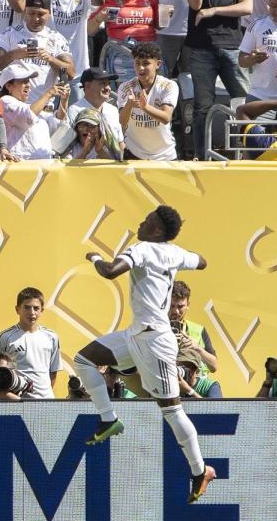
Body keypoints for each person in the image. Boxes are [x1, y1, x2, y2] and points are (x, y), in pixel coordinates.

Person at [74, 205, 215, 503]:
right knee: (84, 359)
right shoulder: (174, 252)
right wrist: (178, 257)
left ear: (157, 230)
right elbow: (203, 262)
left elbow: (110, 271)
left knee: (172, 410)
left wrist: (95, 257)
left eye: (148, 220)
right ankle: (108, 419)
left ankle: (200, 470)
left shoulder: (142, 249)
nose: (141, 222)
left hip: (155, 340)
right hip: (136, 334)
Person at [178, 0, 252, 159]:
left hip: (233, 45)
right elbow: (196, 4)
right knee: (202, 106)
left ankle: (245, 154)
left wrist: (214, 10)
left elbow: (247, 6)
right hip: (201, 47)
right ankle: (202, 156)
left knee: (243, 102)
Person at [0, 0, 75, 104]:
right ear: (25, 12)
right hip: (15, 106)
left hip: (44, 107)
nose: (36, 18)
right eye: (31, 13)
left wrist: (51, 59)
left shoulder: (56, 38)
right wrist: (13, 55)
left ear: (49, 14)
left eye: (41, 14)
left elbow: (70, 74)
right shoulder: (9, 34)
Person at [41, 0, 102, 92]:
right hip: (50, 66)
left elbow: (100, 1)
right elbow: (38, 5)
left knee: (76, 105)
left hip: (79, 66)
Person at [0, 287, 61, 399]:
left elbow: (53, 372)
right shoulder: (5, 337)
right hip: (18, 402)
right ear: (17, 309)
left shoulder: (52, 337)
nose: (32, 313)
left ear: (42, 310)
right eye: (27, 307)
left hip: (47, 401)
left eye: (36, 308)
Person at [117, 41, 178, 160]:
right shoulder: (125, 87)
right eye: (137, 63)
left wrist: (145, 107)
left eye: (146, 63)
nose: (140, 68)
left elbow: (166, 118)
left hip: (165, 155)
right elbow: (121, 122)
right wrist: (129, 105)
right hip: (134, 154)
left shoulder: (168, 85)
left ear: (158, 64)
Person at [0, 62, 69, 160]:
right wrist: (48, 94)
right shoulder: (5, 101)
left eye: (28, 81)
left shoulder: (33, 106)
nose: (28, 85)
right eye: (23, 81)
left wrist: (64, 100)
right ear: (8, 86)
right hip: (21, 164)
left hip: (46, 163)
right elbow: (28, 115)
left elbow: (58, 123)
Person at [168, 280, 217, 375]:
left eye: (180, 306)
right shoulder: (154, 328)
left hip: (195, 382)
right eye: (172, 306)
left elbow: (214, 366)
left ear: (188, 305)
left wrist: (197, 348)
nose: (176, 311)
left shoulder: (199, 330)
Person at [68, 66, 123, 150]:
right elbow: (68, 148)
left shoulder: (113, 110)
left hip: (111, 158)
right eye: (103, 83)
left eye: (108, 84)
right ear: (88, 85)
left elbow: (120, 142)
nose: (108, 88)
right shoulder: (74, 110)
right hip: (84, 158)